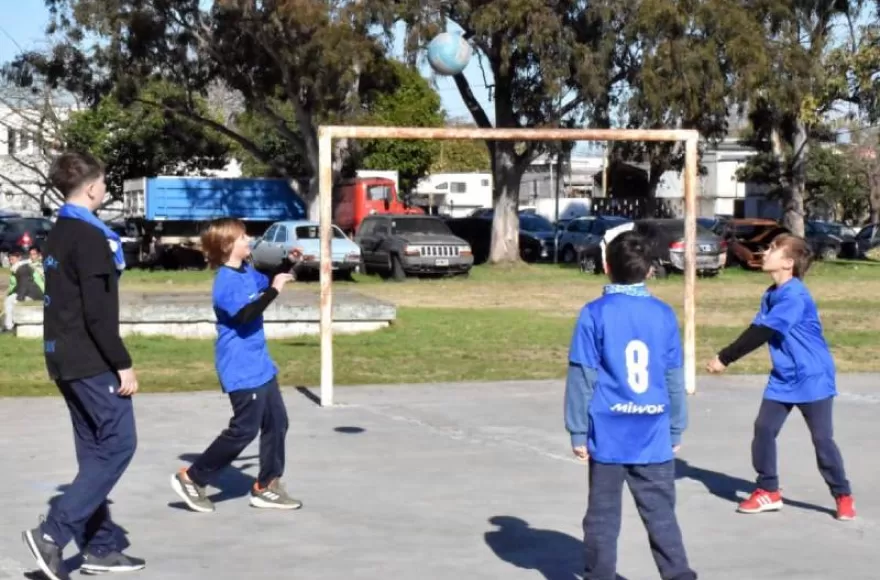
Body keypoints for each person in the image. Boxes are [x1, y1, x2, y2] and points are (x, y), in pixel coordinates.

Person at [22, 151, 143, 580]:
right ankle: (52, 535)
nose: (106, 189)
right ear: (91, 188)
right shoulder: (91, 238)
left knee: (95, 453)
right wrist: (122, 364)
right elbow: (98, 314)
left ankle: (101, 549)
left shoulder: (58, 231)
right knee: (118, 445)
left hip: (62, 356)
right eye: (105, 183)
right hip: (90, 360)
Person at [565, 231, 696, 580]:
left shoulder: (594, 314)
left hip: (609, 433)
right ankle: (679, 574)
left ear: (606, 266)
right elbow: (673, 375)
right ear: (650, 270)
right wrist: (676, 424)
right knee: (661, 516)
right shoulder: (663, 314)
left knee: (602, 519)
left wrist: (578, 429)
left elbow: (583, 375)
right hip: (653, 431)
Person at [706, 234, 855, 520]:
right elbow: (756, 326)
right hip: (784, 377)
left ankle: (843, 494)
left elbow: (763, 333)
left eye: (774, 248)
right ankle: (768, 490)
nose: (766, 251)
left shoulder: (795, 296)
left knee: (822, 440)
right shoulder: (771, 293)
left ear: (788, 263)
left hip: (812, 376)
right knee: (764, 429)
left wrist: (725, 357)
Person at [170, 217, 303, 513]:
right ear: (228, 245)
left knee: (277, 422)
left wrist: (288, 264)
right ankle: (192, 478)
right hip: (240, 367)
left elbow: (268, 282)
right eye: (243, 237)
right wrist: (275, 290)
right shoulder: (225, 283)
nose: (249, 240)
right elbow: (245, 314)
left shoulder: (246, 271)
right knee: (244, 429)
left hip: (260, 364)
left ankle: (267, 485)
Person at [3, 246, 44, 333]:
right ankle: (9, 325)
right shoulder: (20, 267)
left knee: (10, 300)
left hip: (32, 294)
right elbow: (19, 285)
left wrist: (19, 299)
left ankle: (9, 327)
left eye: (12, 259)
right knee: (9, 299)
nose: (10, 262)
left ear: (19, 258)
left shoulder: (22, 268)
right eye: (9, 260)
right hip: (27, 293)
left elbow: (24, 284)